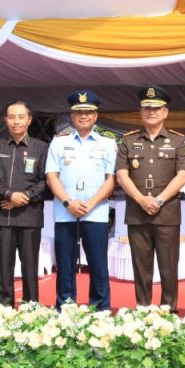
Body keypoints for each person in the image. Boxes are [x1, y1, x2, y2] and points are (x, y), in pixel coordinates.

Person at [115, 86, 185, 312]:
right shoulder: (128, 140)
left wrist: (158, 200)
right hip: (137, 212)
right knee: (141, 267)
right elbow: (121, 175)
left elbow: (183, 175)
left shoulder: (177, 141)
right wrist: (141, 199)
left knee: (169, 266)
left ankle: (169, 310)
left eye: (156, 108)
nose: (151, 112)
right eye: (147, 108)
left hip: (167, 213)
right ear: (140, 112)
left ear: (165, 112)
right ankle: (143, 310)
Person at [46, 91, 117, 309]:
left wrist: (91, 203)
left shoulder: (108, 143)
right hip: (65, 211)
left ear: (95, 116)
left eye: (88, 112)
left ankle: (101, 308)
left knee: (98, 263)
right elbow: (51, 176)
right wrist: (68, 202)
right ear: (72, 115)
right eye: (79, 112)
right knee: (65, 263)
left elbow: (111, 179)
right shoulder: (59, 142)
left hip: (95, 211)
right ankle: (65, 307)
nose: (83, 116)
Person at [0, 101, 49, 307]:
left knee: (30, 266)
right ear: (5, 120)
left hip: (29, 215)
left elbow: (46, 180)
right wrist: (9, 195)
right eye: (12, 117)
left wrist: (25, 197)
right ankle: (4, 308)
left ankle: (31, 307)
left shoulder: (41, 148)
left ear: (29, 120)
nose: (16, 121)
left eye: (21, 117)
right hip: (1, 215)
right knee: (3, 266)